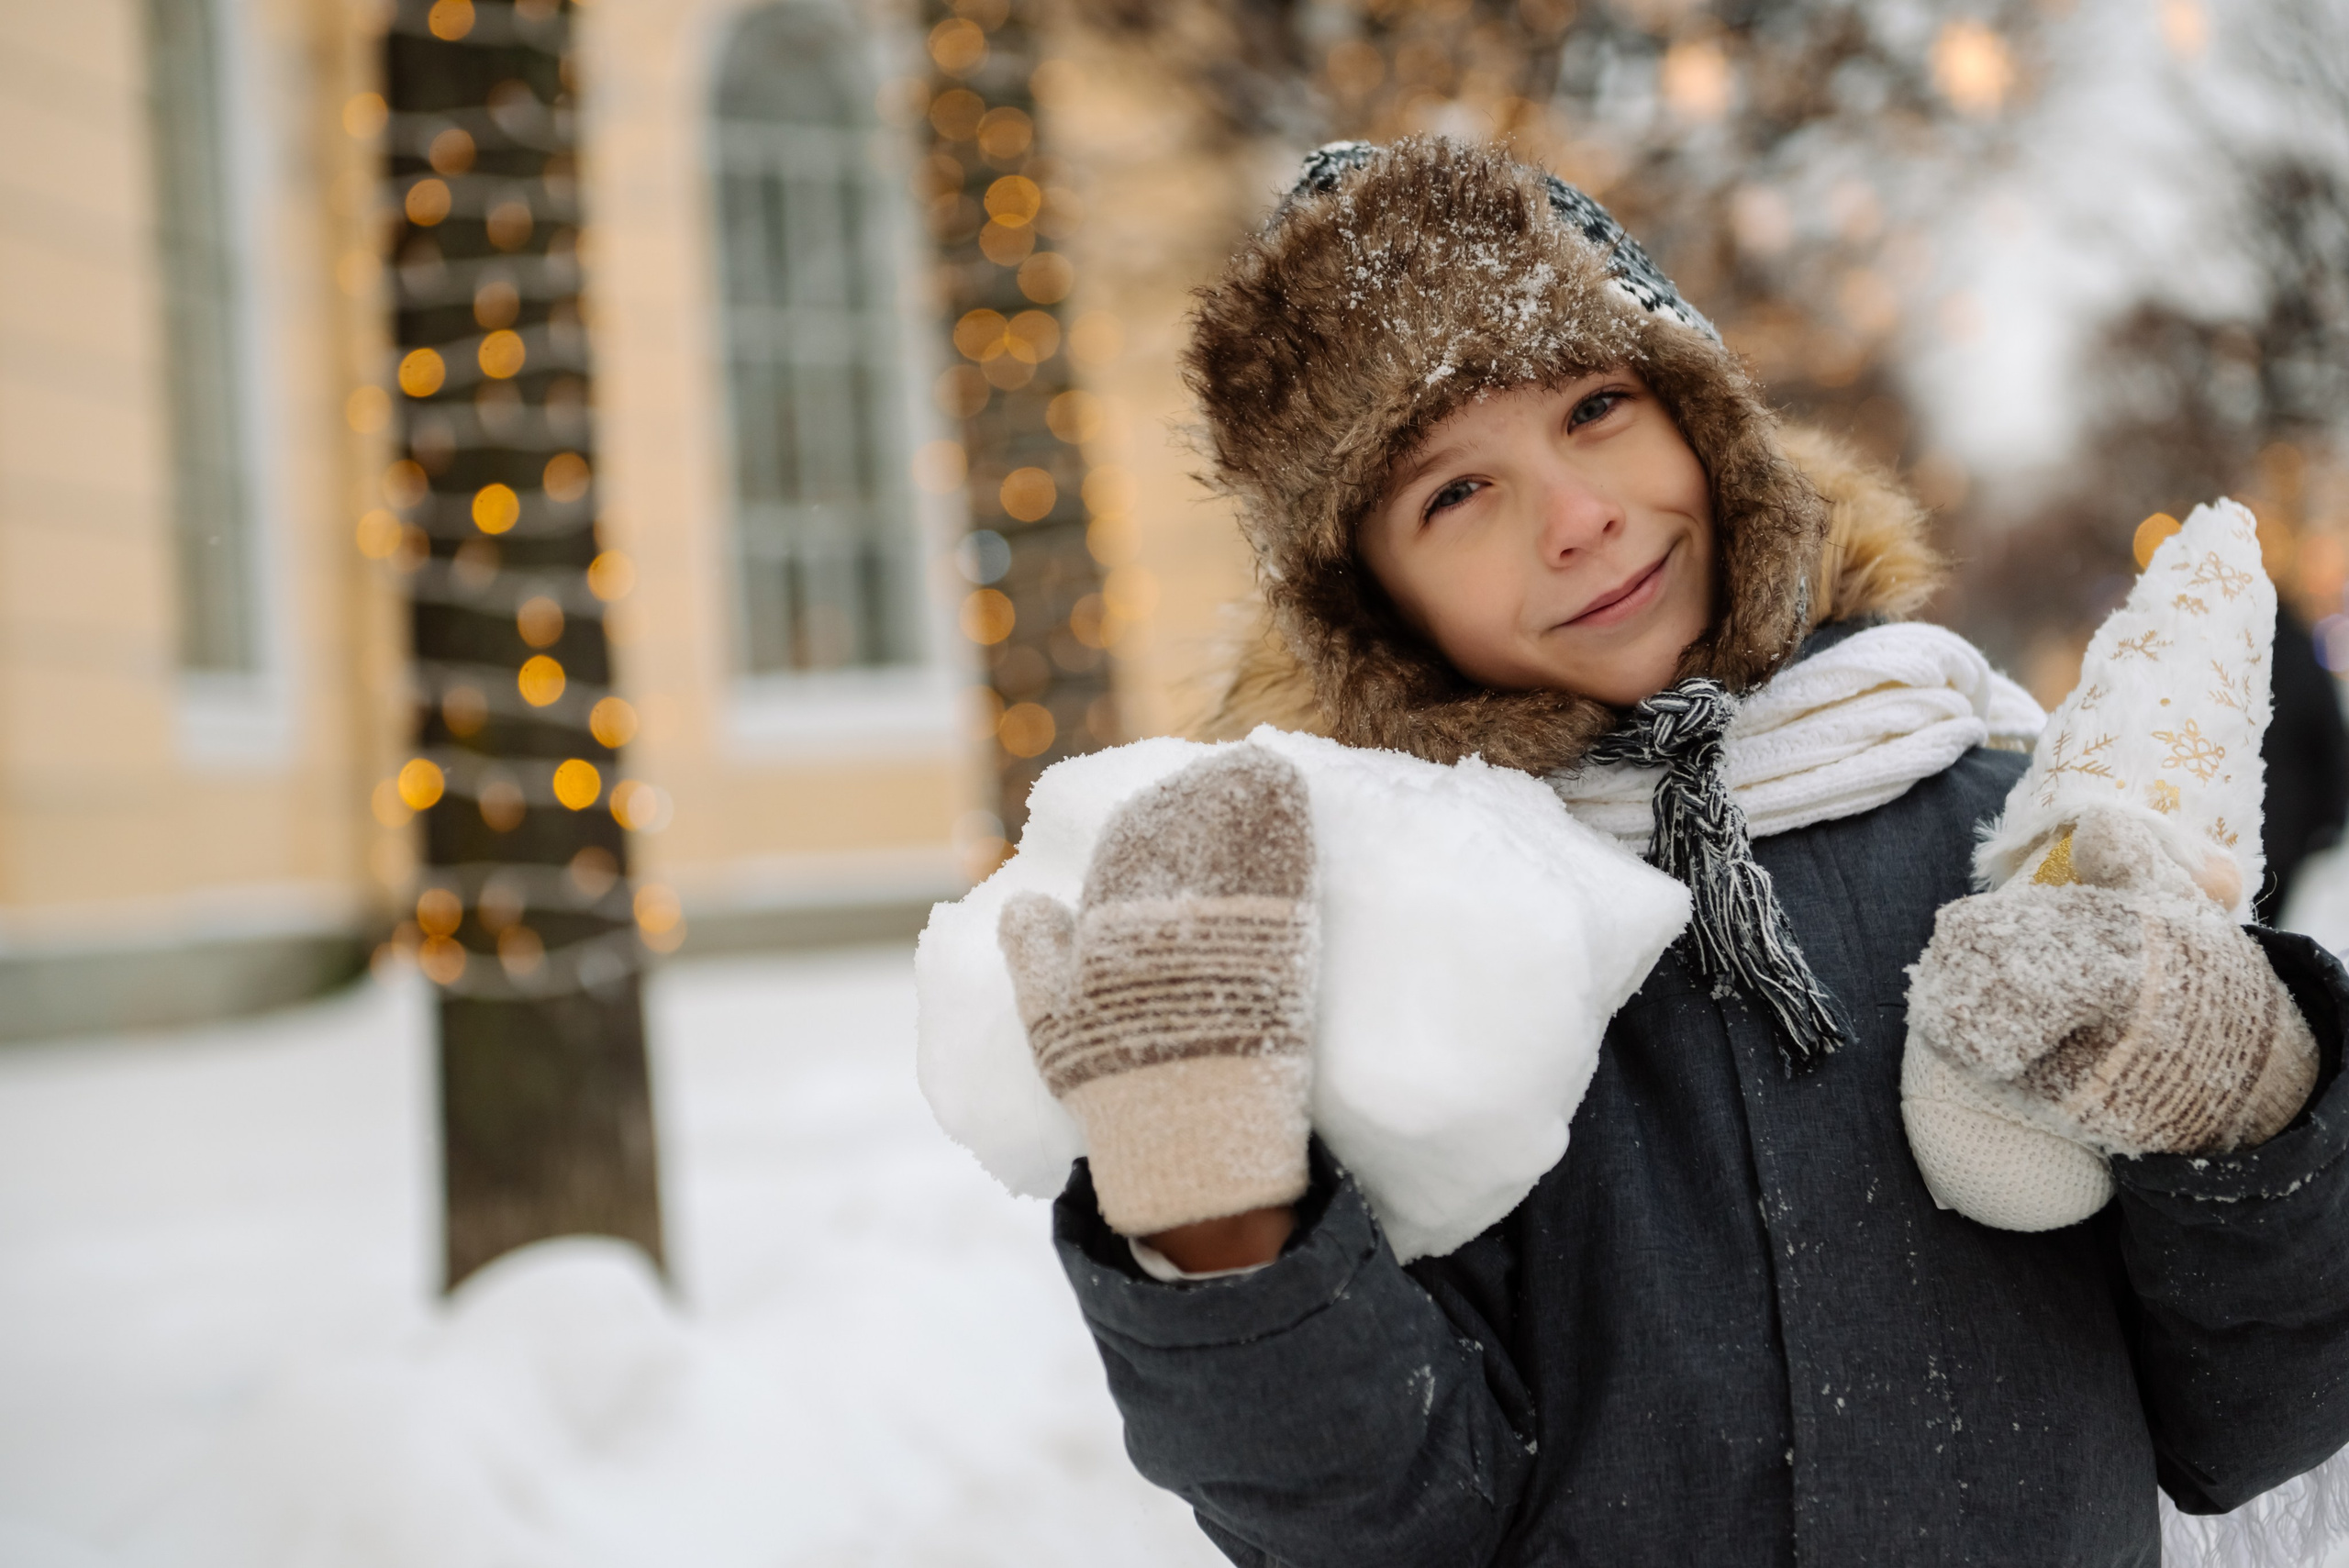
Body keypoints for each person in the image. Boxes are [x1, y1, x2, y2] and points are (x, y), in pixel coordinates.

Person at [1008, 139, 2349, 1567]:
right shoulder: (1403, 930)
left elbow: (2248, 1419)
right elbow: (1390, 1526)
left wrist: (2245, 1100)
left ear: (1700, 409)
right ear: (1369, 602)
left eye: (1596, 405)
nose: (1579, 515)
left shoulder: (1992, 806)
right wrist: (1223, 1220)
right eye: (1453, 493)